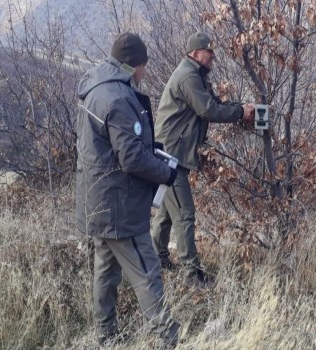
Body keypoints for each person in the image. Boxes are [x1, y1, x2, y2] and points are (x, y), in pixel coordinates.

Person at [75, 32, 179, 346]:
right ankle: (167, 337)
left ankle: (106, 335)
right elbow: (131, 158)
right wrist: (165, 173)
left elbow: (107, 146)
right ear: (133, 65)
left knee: (105, 272)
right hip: (120, 205)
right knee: (146, 270)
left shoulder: (95, 87)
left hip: (97, 199)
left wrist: (148, 145)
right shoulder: (118, 98)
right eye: (144, 66)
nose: (145, 71)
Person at [151, 32, 255, 284]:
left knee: (166, 211)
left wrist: (240, 108)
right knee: (184, 212)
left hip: (169, 152)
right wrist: (241, 112)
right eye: (209, 53)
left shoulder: (194, 74)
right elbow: (208, 110)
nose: (213, 57)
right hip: (171, 156)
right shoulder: (188, 76)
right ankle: (191, 274)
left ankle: (157, 261)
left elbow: (214, 103)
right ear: (196, 54)